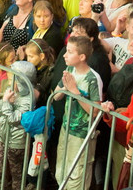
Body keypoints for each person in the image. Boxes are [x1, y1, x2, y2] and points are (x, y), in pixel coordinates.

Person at [52, 34, 102, 190]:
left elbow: (95, 112)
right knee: (61, 172)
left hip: (82, 135)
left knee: (77, 178)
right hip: (66, 130)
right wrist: (65, 87)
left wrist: (75, 92)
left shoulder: (93, 78)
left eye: (69, 52)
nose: (65, 55)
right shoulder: (70, 69)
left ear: (82, 56)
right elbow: (56, 96)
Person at [0, 59, 37, 190]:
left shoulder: (28, 99)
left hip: (17, 143)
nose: (10, 83)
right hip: (3, 137)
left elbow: (14, 119)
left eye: (13, 80)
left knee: (17, 176)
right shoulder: (11, 91)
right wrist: (5, 102)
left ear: (22, 81)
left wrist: (6, 103)